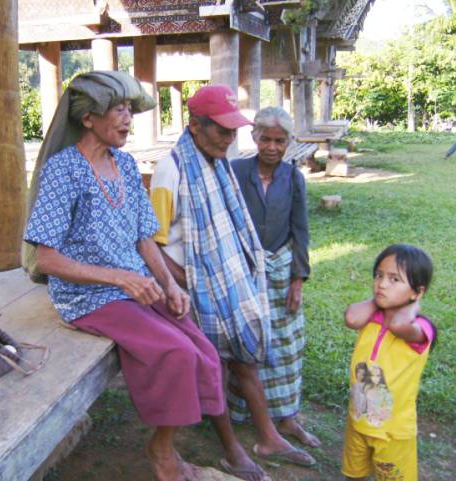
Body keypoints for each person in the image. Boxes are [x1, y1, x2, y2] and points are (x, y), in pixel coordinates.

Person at [22, 71, 225, 481]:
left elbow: (143, 237)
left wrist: (169, 284)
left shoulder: (126, 165)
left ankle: (166, 444)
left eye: (130, 110)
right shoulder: (64, 170)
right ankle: (163, 454)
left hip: (132, 286)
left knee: (201, 346)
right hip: (87, 296)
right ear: (88, 118)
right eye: (119, 110)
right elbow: (47, 260)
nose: (128, 119)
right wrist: (118, 278)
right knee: (175, 352)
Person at [150, 85, 315, 479]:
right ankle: (233, 450)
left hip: (226, 283)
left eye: (232, 131)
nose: (229, 138)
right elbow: (151, 243)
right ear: (194, 126)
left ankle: (268, 437)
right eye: (222, 130)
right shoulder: (170, 169)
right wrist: (183, 281)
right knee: (214, 368)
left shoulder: (218, 163)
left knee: (245, 361)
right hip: (190, 291)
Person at [230, 106, 320, 449]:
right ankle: (249, 414)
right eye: (265, 138)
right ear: (253, 138)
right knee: (249, 342)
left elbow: (301, 230)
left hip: (282, 270)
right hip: (243, 271)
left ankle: (286, 417)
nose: (271, 146)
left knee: (286, 345)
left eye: (279, 140)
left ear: (289, 143)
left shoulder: (293, 177)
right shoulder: (235, 171)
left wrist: (298, 279)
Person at [342, 244, 437, 481]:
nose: (382, 284)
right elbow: (352, 317)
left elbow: (397, 326)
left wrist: (413, 305)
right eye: (378, 276)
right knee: (353, 475)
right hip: (358, 421)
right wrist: (379, 300)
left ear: (418, 291)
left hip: (393, 431)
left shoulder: (422, 328)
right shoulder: (371, 317)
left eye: (394, 279)